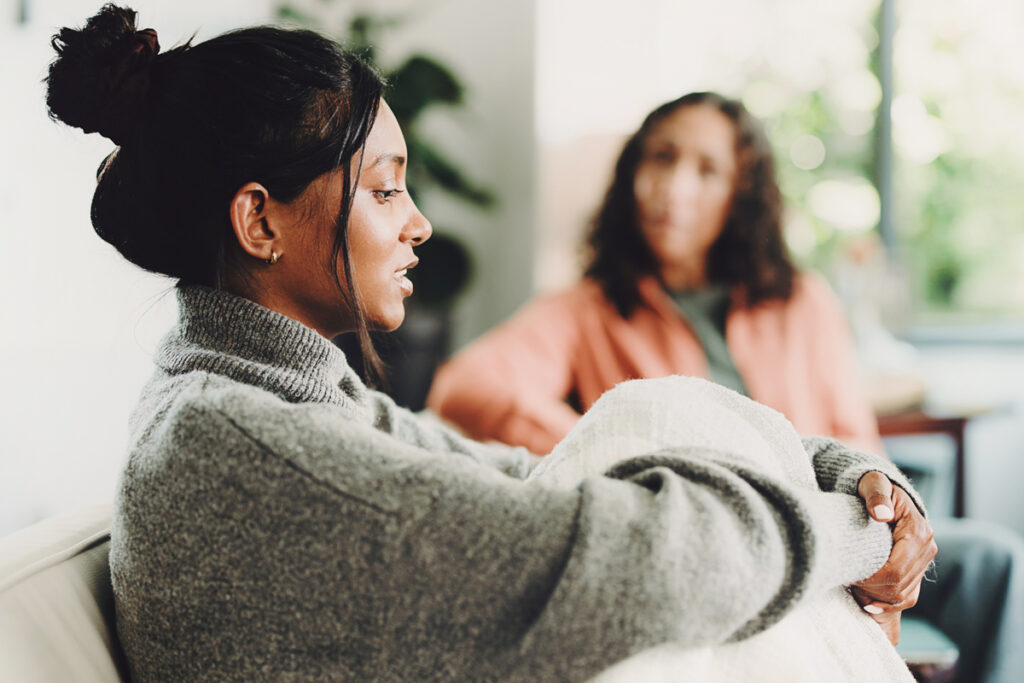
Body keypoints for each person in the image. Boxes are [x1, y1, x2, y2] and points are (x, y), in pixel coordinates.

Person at [46, 9, 934, 681]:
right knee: (654, 418)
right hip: (738, 550)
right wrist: (860, 535)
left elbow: (518, 474)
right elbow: (645, 565)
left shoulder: (276, 399)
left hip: (788, 520)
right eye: (385, 191)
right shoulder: (236, 441)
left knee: (662, 419)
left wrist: (851, 477)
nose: (419, 223)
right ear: (259, 221)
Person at [427, 91, 1022, 682]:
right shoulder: (587, 308)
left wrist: (888, 532)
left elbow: (856, 443)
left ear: (741, 194)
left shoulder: (804, 302)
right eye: (661, 157)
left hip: (829, 533)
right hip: (715, 542)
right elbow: (468, 386)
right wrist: (615, 445)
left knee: (992, 561)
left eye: (707, 170)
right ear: (632, 173)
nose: (673, 187)